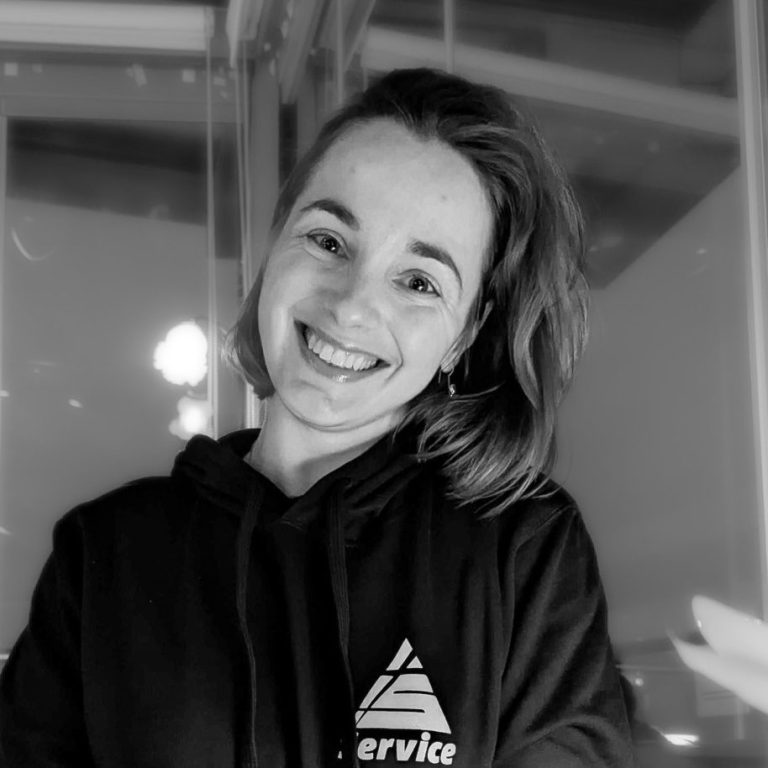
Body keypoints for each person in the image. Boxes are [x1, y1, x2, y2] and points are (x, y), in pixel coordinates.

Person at [0, 68, 634, 767]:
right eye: (329, 241)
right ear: (274, 247)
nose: (352, 306)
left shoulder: (524, 549)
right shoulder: (104, 553)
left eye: (419, 281)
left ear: (463, 335)